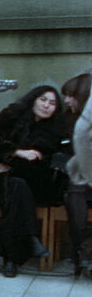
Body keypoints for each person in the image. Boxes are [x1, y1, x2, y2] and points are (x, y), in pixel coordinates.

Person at [0, 86, 66, 277]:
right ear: (33, 100)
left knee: (17, 186)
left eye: (52, 103)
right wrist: (17, 152)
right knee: (16, 186)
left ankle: (11, 258)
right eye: (43, 100)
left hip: (29, 183)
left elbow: (47, 161)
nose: (46, 106)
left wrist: (12, 164)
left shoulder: (54, 129)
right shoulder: (11, 115)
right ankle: (29, 239)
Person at [61, 73, 91, 276]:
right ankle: (79, 251)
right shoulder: (67, 120)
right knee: (76, 190)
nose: (66, 100)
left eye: (71, 96)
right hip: (76, 181)